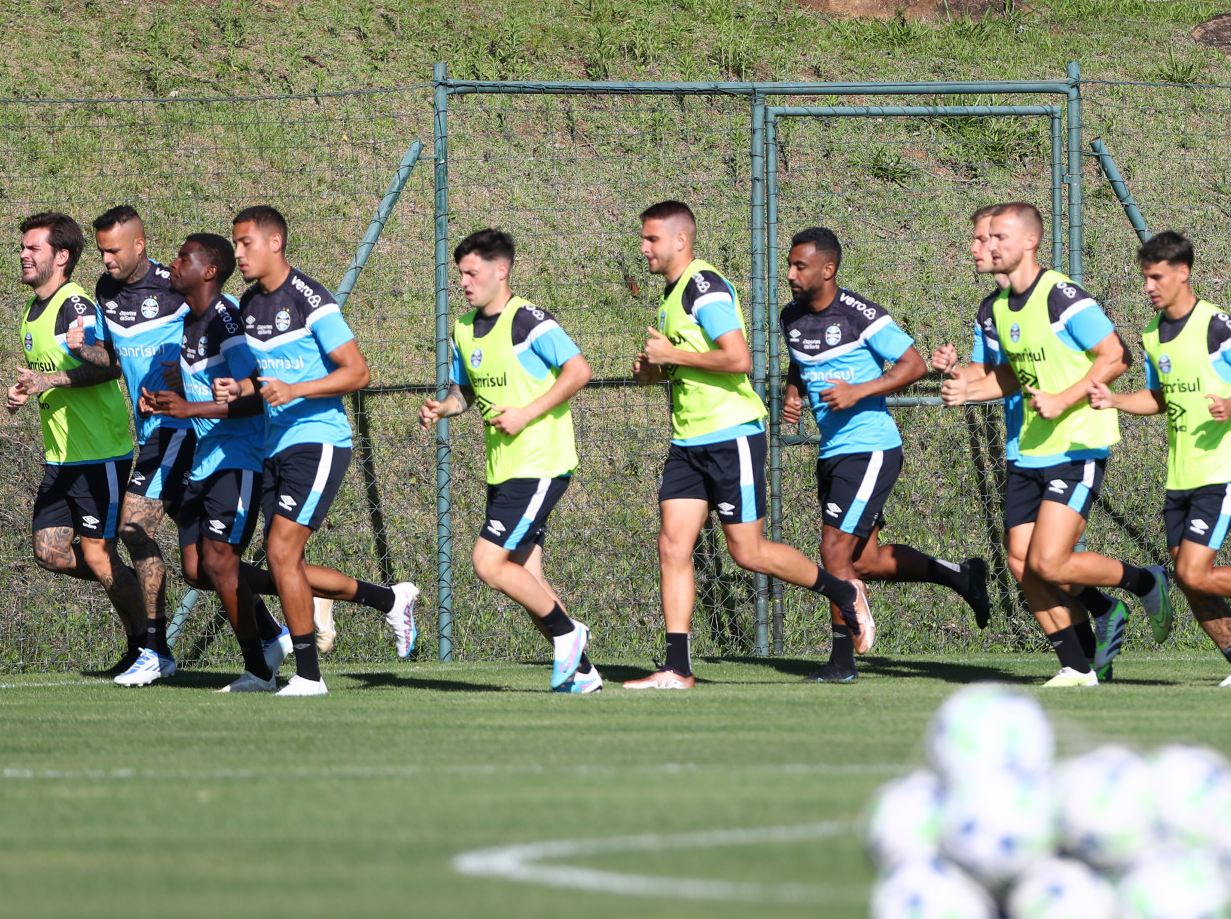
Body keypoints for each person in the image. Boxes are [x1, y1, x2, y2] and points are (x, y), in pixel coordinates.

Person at [629, 200, 869, 689]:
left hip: (731, 435)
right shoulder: (671, 296)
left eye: (652, 239)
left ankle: (843, 592)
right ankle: (678, 668)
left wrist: (671, 353)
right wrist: (655, 369)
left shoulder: (704, 286)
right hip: (688, 440)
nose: (644, 248)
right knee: (672, 545)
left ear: (680, 240)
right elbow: (689, 363)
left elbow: (737, 358)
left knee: (749, 552)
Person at [941, 201, 1172, 688]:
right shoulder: (998, 307)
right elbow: (1005, 375)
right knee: (1022, 564)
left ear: (1029, 241)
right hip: (1029, 448)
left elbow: (1117, 355)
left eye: (996, 237)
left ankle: (1144, 580)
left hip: (1077, 445)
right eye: (984, 237)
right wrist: (965, 385)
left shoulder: (1062, 296)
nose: (983, 245)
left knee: (1048, 560)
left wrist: (1065, 399)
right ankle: (1076, 666)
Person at [213, 205, 417, 697]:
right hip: (272, 447)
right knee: (289, 567)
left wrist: (297, 390)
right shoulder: (247, 304)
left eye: (245, 243)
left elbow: (357, 372)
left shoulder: (311, 299)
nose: (237, 254)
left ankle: (307, 676)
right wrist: (235, 391)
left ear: (275, 242)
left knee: (281, 554)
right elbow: (261, 380)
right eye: (235, 244)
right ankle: (389, 599)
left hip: (319, 440)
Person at [1089, 231, 1231, 687]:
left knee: (1192, 570)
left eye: (1156, 277)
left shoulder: (1216, 325)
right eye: (1144, 277)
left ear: (1183, 274)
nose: (1148, 286)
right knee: (1192, 581)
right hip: (1181, 471)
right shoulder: (1152, 334)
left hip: (1224, 466)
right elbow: (1158, 398)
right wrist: (1115, 401)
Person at [779, 226, 992, 683]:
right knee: (865, 561)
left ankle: (842, 660)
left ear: (828, 269)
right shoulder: (791, 317)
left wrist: (860, 390)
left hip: (870, 447)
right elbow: (801, 360)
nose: (791, 274)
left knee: (834, 551)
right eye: (790, 265)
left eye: (801, 266)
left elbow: (912, 365)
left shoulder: (860, 315)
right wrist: (793, 390)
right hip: (833, 451)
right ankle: (962, 576)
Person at [418, 229, 600, 693]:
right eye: (460, 273)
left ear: (501, 271)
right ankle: (583, 675)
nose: (463, 281)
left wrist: (526, 414)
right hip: (503, 468)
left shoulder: (528, 321)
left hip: (540, 462)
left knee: (487, 562)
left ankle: (568, 633)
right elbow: (468, 393)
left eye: (471, 272)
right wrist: (445, 407)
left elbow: (579, 370)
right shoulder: (463, 327)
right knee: (529, 580)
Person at [5, 213, 151, 676]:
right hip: (61, 456)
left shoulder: (76, 304)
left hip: (99, 454)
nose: (24, 255)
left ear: (61, 256)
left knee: (97, 553)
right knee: (48, 551)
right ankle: (138, 589)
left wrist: (49, 379)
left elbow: (109, 365)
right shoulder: (33, 310)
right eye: (23, 247)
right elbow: (46, 375)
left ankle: (144, 647)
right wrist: (25, 390)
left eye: (34, 248)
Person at [140, 233, 283, 692]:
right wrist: (167, 400)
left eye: (183, 258)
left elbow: (256, 397)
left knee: (221, 565)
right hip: (206, 461)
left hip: (237, 459)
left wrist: (189, 410)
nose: (173, 265)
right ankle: (298, 598)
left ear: (208, 271)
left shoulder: (225, 323)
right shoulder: (191, 322)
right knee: (198, 571)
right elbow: (205, 391)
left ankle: (259, 670)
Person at [91, 205, 192, 682]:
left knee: (132, 528)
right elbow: (111, 359)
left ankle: (155, 651)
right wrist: (81, 349)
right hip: (149, 433)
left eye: (113, 250)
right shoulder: (105, 291)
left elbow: (219, 334)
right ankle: (271, 634)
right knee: (209, 563)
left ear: (139, 244)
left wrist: (184, 376)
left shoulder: (176, 285)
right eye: (101, 250)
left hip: (182, 429)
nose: (107, 259)